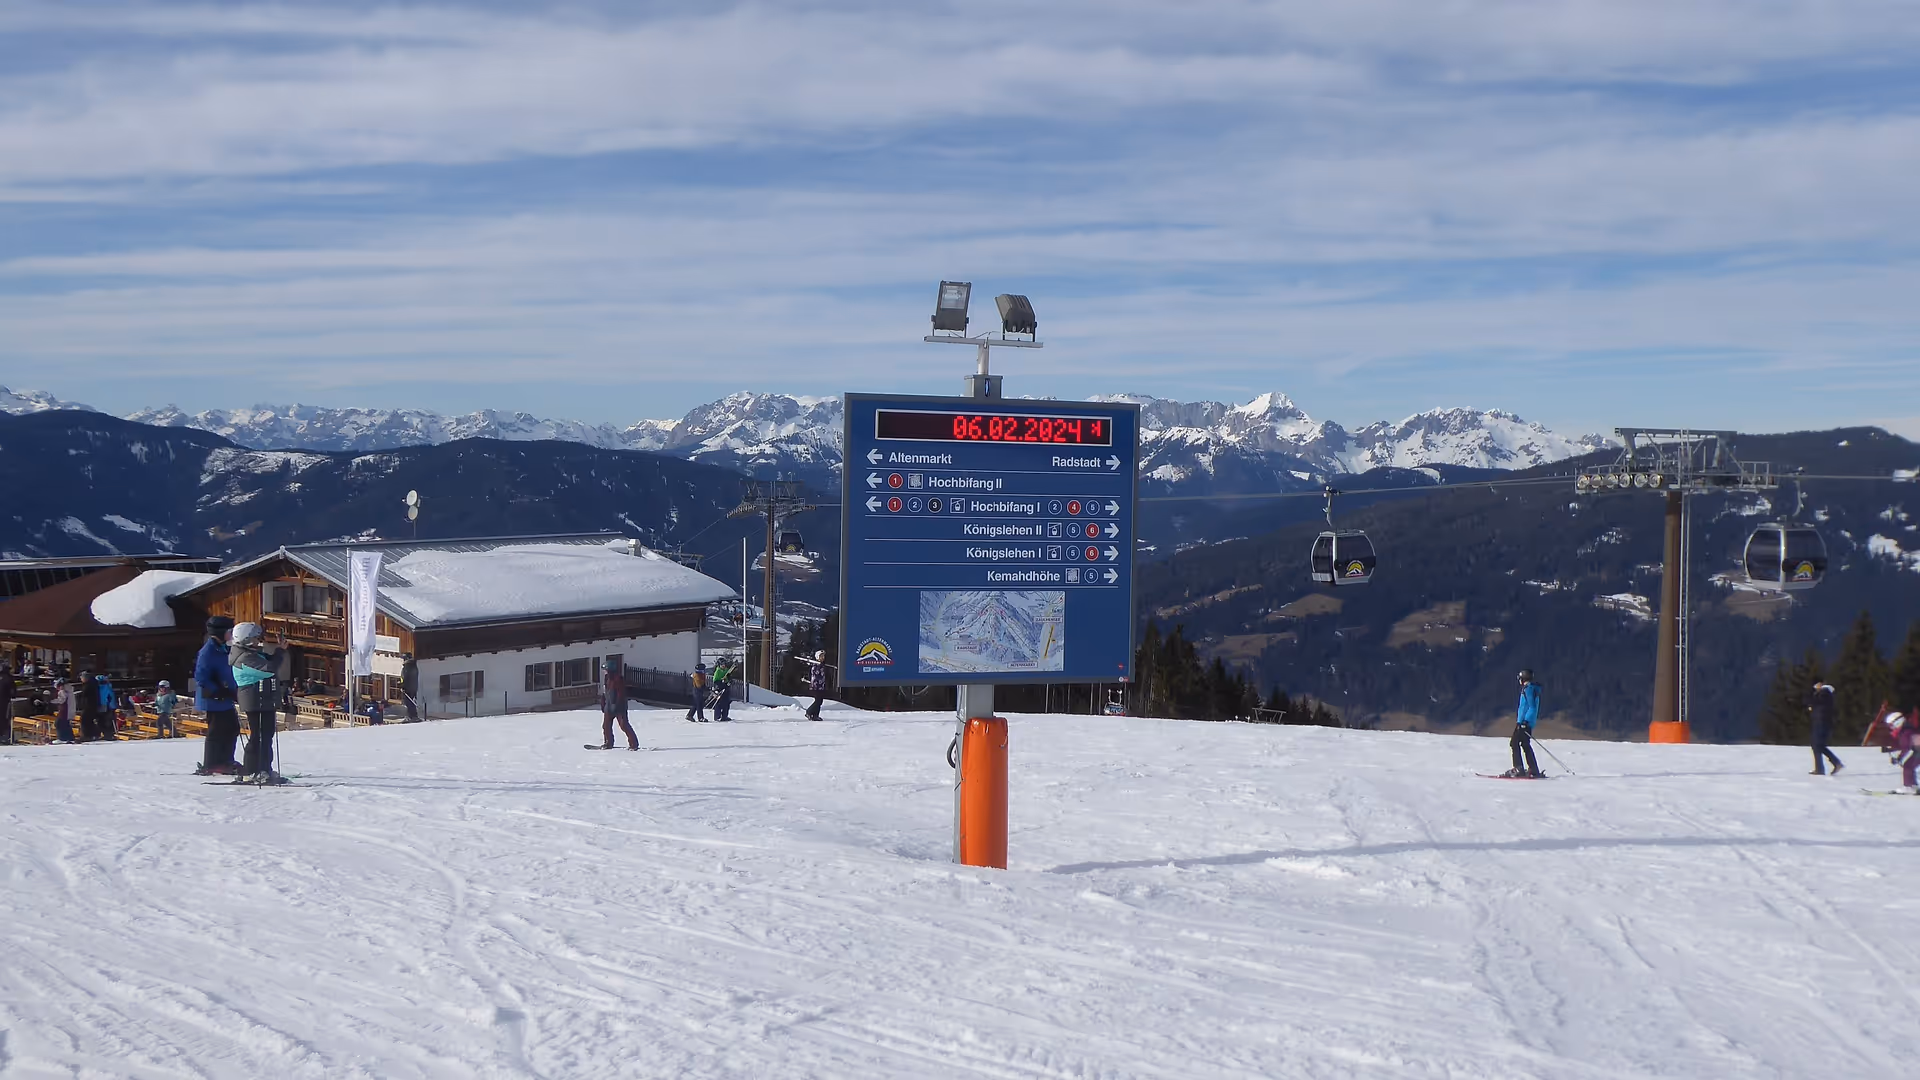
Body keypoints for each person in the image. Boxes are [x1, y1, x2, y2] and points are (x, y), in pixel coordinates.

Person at [230, 623, 290, 782]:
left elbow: (267, 660)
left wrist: (280, 648)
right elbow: (269, 668)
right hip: (255, 700)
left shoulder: (250, 653)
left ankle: (265, 768)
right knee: (258, 736)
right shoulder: (244, 657)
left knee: (266, 735)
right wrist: (279, 652)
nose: (259, 641)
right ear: (247, 640)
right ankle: (251, 770)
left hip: (263, 699)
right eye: (256, 638)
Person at [195, 616, 243, 776]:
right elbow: (201, 677)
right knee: (217, 731)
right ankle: (212, 763)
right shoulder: (208, 652)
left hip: (226, 697)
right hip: (214, 699)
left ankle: (226, 760)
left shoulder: (222, 648)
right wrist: (217, 691)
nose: (232, 635)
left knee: (232, 728)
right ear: (221, 633)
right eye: (230, 631)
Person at [1504, 669, 1543, 778]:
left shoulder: (1529, 689)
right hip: (1524, 723)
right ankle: (1533, 769)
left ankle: (1518, 768)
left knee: (1514, 743)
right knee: (1525, 745)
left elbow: (1532, 707)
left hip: (1524, 723)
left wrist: (1524, 722)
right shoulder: (1529, 689)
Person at [1807, 680, 1843, 776]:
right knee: (1816, 745)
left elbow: (1814, 702)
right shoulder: (1824, 693)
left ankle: (1835, 763)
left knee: (1818, 745)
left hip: (1822, 722)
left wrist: (1812, 696)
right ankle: (1820, 768)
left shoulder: (1824, 692)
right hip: (1820, 722)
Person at [598, 666, 638, 749]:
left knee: (624, 726)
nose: (604, 672)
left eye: (605, 670)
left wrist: (617, 705)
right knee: (606, 726)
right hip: (609, 707)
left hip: (619, 708)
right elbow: (605, 693)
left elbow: (621, 694)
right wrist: (603, 704)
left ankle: (633, 744)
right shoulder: (606, 679)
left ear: (609, 670)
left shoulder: (618, 679)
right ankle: (608, 743)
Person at [1888, 713, 1916, 794]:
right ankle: (1913, 785)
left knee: (1908, 765)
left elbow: (1906, 747)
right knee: (1909, 765)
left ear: (1897, 722)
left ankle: (1908, 787)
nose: (1891, 727)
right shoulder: (1906, 729)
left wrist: (1899, 758)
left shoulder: (1906, 731)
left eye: (1891, 725)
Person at [803, 650, 830, 721]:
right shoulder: (816, 666)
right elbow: (817, 674)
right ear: (817, 657)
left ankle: (815, 715)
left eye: (823, 656)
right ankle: (809, 712)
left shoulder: (821, 665)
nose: (823, 657)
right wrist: (820, 666)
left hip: (821, 686)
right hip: (815, 686)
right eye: (821, 656)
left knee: (820, 701)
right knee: (818, 701)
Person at [53, 678, 77, 743]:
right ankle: (70, 738)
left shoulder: (63, 691)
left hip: (64, 710)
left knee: (58, 723)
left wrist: (52, 701)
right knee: (66, 724)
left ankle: (61, 738)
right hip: (70, 710)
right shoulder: (70, 690)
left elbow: (61, 700)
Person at [710, 659, 733, 723]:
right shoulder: (718, 671)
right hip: (720, 689)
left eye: (724, 664)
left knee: (727, 703)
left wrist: (729, 681)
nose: (723, 666)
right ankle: (717, 716)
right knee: (719, 703)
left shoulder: (726, 670)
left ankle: (724, 716)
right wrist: (721, 682)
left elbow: (729, 678)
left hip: (726, 688)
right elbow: (715, 681)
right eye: (722, 665)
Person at [400, 654, 420, 722]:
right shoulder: (414, 666)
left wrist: (402, 686)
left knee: (408, 702)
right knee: (411, 702)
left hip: (408, 688)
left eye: (404, 659)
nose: (403, 660)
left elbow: (404, 678)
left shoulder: (407, 667)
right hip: (413, 688)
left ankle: (411, 716)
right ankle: (413, 715)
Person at [0, 661, 13, 745]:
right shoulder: (9, 678)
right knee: (4, 719)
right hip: (4, 702)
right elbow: (13, 692)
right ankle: (4, 736)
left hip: (3, 701)